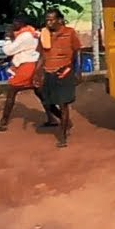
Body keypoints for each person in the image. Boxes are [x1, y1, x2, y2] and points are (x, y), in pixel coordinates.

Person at [0, 16, 61, 131]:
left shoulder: (24, 36)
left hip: (27, 67)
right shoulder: (30, 33)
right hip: (34, 65)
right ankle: (58, 117)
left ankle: (3, 122)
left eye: (16, 22)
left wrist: (7, 37)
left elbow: (9, 50)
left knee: (12, 91)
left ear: (22, 23)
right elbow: (21, 50)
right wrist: (3, 61)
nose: (13, 24)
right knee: (42, 95)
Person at [35, 8, 82, 148]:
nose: (48, 22)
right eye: (47, 20)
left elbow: (77, 51)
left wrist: (78, 71)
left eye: (51, 19)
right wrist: (37, 73)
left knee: (63, 104)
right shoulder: (43, 34)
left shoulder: (69, 33)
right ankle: (65, 121)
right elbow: (41, 55)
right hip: (48, 72)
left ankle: (62, 137)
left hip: (64, 72)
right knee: (46, 101)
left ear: (59, 20)